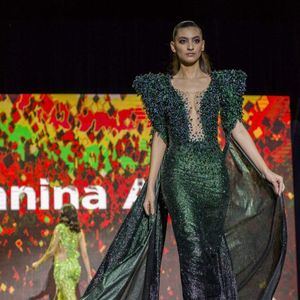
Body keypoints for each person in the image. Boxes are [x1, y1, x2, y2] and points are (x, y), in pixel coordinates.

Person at [81, 20, 287, 300]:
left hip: (214, 176)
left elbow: (235, 126)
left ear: (203, 45)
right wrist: (151, 185)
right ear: (173, 46)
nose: (189, 46)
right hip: (178, 176)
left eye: (195, 40)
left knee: (212, 248)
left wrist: (266, 170)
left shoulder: (220, 84)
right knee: (192, 248)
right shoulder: (162, 87)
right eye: (183, 41)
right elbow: (161, 135)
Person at [31, 203, 93, 300]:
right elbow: (84, 255)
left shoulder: (60, 228)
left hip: (63, 268)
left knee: (69, 297)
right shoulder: (79, 231)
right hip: (74, 268)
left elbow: (51, 251)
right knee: (61, 296)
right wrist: (89, 274)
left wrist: (38, 263)